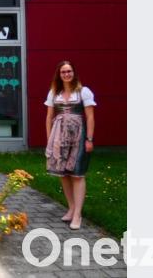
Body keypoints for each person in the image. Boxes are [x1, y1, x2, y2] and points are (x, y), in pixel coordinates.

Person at [45, 60, 96, 230]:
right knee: (63, 173)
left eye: (69, 71)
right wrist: (49, 140)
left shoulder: (83, 92)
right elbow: (49, 116)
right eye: (63, 72)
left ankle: (78, 214)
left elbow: (89, 117)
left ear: (74, 73)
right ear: (59, 75)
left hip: (79, 136)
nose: (66, 74)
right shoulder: (54, 93)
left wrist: (89, 139)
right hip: (59, 136)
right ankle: (71, 207)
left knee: (77, 174)